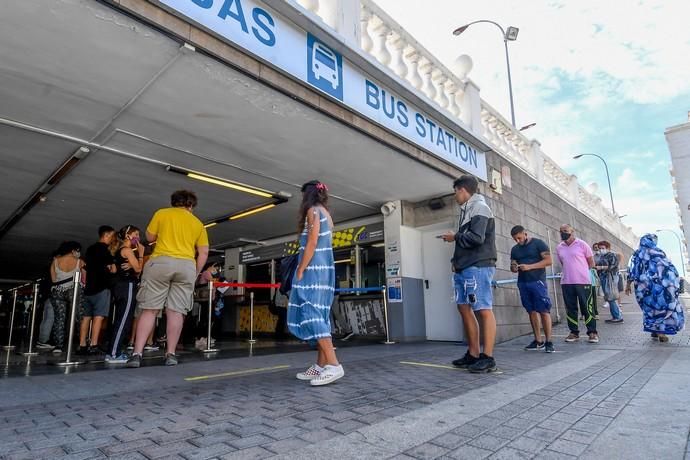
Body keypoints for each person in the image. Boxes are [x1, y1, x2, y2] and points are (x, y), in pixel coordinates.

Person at [127, 190, 209, 368]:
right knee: (176, 311)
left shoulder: (162, 213)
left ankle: (137, 354)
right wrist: (195, 272)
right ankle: (170, 354)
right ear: (191, 205)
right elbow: (203, 252)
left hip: (161, 263)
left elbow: (150, 237)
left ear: (174, 202)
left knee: (150, 310)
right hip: (186, 265)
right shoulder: (198, 224)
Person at [289, 180, 344, 386]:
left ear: (308, 195)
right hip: (325, 271)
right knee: (320, 314)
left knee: (311, 313)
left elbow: (312, 242)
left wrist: (301, 268)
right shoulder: (326, 213)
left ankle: (334, 364)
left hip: (313, 271)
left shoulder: (312, 211)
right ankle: (320, 366)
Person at [442, 175, 498, 373]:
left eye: (455, 192)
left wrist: (454, 236)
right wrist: (455, 261)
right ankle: (473, 353)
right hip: (463, 267)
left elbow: (476, 238)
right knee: (464, 308)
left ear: (462, 190)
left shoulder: (480, 207)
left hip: (478, 266)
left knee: (483, 308)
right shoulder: (466, 210)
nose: (455, 196)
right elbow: (466, 240)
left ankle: (488, 357)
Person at [626, 234, 685, 342]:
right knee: (661, 308)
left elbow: (632, 270)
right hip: (660, 286)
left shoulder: (637, 253)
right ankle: (660, 332)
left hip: (643, 288)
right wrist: (673, 281)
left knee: (649, 309)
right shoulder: (658, 252)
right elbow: (669, 268)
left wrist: (628, 284)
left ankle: (654, 329)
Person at [509, 226, 555, 353]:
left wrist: (530, 267)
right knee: (531, 311)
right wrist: (514, 267)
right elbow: (513, 264)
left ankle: (549, 341)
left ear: (525, 233)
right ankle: (538, 340)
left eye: (519, 237)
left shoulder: (538, 243)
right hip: (523, 282)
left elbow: (549, 261)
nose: (517, 241)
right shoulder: (515, 249)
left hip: (538, 281)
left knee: (544, 311)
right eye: (514, 239)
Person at [105, 226, 145, 364]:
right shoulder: (127, 250)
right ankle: (113, 354)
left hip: (120, 286)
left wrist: (132, 265)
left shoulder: (118, 251)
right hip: (126, 286)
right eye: (136, 234)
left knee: (122, 319)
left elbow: (119, 269)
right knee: (123, 320)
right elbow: (139, 269)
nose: (137, 237)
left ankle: (114, 351)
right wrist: (141, 254)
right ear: (128, 236)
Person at [556, 225, 598, 343]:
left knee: (587, 307)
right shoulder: (559, 247)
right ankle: (574, 333)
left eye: (565, 231)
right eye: (561, 231)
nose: (563, 233)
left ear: (572, 231)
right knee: (571, 308)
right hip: (567, 282)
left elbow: (591, 262)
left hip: (583, 282)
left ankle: (592, 333)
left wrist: (581, 272)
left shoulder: (582, 244)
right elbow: (563, 262)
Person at [79, 226, 116, 354]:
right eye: (111, 236)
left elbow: (85, 267)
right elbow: (113, 269)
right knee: (98, 317)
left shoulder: (90, 249)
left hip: (89, 288)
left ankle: (82, 345)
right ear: (106, 235)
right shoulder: (106, 250)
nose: (112, 239)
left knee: (86, 317)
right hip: (102, 288)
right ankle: (94, 344)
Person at [49, 241, 84, 354]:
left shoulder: (55, 261)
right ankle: (81, 342)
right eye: (78, 250)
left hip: (58, 291)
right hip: (73, 290)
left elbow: (54, 280)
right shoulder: (79, 262)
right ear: (73, 250)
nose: (78, 253)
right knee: (80, 317)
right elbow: (84, 279)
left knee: (59, 318)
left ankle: (58, 346)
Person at [595, 240, 623, 323]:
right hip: (604, 277)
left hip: (610, 277)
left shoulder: (611, 255)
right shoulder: (602, 256)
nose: (601, 250)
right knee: (609, 297)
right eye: (599, 248)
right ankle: (615, 316)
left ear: (607, 248)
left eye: (603, 248)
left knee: (611, 297)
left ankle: (617, 316)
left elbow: (614, 266)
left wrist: (602, 267)